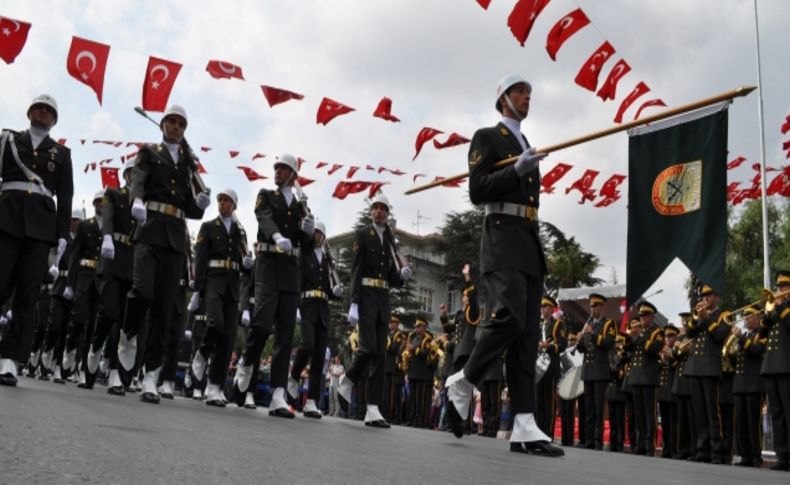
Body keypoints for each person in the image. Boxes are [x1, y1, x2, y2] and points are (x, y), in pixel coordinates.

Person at [444, 74, 563, 457]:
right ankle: (464, 380)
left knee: (527, 339)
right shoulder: (487, 136)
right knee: (509, 318)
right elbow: (477, 190)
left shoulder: (525, 143)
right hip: (501, 237)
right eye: (519, 92)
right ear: (503, 99)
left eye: (529, 93)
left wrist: (521, 165)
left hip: (527, 239)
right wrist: (514, 170)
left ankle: (525, 424)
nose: (527, 97)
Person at [116, 104, 211, 403]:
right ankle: (128, 335)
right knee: (142, 292)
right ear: (163, 125)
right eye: (172, 122)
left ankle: (151, 375)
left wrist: (201, 202)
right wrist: (138, 200)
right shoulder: (149, 152)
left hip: (175, 240)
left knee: (163, 309)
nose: (176, 127)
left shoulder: (187, 164)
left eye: (181, 124)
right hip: (149, 228)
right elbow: (140, 179)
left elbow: (191, 210)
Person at [233, 154, 314, 418]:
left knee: (285, 332)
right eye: (276, 168)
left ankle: (278, 393)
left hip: (290, 270)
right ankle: (247, 359)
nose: (277, 172)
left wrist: (309, 232)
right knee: (263, 321)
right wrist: (278, 235)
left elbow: (306, 245)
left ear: (293, 174)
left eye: (283, 168)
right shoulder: (266, 194)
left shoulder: (301, 206)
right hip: (267, 263)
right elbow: (263, 217)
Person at [0, 94, 73, 386]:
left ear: (54, 119)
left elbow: (65, 196)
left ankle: (9, 359)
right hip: (6, 219)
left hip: (40, 229)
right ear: (29, 111)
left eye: (49, 111)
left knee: (28, 294)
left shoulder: (62, 154)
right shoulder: (8, 141)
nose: (43, 113)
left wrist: (62, 235)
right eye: (39, 108)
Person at [338, 193, 412, 429]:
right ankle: (348, 378)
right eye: (375, 208)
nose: (378, 212)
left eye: (382, 209)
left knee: (380, 356)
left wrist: (401, 277)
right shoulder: (363, 235)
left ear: (388, 214)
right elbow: (357, 269)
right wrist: (354, 301)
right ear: (372, 212)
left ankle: (373, 408)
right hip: (366, 298)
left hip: (382, 300)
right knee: (367, 348)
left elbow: (389, 273)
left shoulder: (390, 240)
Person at [189, 188, 252, 407]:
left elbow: (245, 258)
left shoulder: (240, 231)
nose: (222, 204)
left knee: (227, 339)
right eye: (220, 200)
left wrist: (248, 266)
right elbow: (200, 258)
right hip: (213, 282)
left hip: (232, 285)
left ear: (234, 204)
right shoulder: (208, 227)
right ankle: (201, 355)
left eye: (226, 201)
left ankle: (214, 386)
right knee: (215, 325)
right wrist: (197, 291)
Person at [90, 160, 137, 396]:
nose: (135, 177)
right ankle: (96, 346)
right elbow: (107, 217)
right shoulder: (114, 194)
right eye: (132, 173)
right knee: (109, 312)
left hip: (134, 262)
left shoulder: (145, 201)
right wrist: (107, 237)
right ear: (126, 175)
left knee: (124, 321)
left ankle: (115, 374)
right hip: (113, 255)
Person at [287, 219, 342, 418]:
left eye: (320, 233)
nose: (317, 236)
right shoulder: (305, 254)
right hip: (308, 305)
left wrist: (336, 291)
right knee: (307, 345)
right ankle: (294, 376)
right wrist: (296, 307)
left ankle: (311, 400)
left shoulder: (328, 260)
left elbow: (330, 287)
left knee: (319, 357)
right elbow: (298, 280)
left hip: (323, 309)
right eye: (315, 233)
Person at [63, 190, 105, 389]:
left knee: (93, 326)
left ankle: (83, 368)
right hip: (83, 276)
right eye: (99, 201)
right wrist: (70, 284)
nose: (102, 205)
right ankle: (70, 349)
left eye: (105, 202)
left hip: (102, 280)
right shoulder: (85, 225)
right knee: (79, 320)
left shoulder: (112, 227)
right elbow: (74, 255)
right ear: (95, 203)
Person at [684, 284, 730, 463]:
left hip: (710, 368)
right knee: (699, 411)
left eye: (709, 296)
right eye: (704, 296)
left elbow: (719, 336)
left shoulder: (723, 315)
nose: (705, 299)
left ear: (716, 297)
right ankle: (702, 450)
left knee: (712, 412)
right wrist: (697, 318)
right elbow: (689, 333)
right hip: (694, 367)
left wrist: (708, 318)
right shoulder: (700, 316)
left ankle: (716, 452)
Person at [39, 209, 83, 384]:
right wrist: (53, 265)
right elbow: (52, 253)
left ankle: (57, 366)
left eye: (79, 220)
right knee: (55, 326)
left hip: (75, 286)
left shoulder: (83, 239)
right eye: (73, 220)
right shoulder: (63, 238)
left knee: (66, 328)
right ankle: (46, 353)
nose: (76, 223)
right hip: (59, 284)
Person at [577, 293, 617, 450]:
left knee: (599, 408)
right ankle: (588, 440)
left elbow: (609, 343)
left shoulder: (608, 324)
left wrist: (592, 334)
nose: (592, 309)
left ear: (601, 307)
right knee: (589, 408)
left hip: (600, 371)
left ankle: (597, 440)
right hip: (588, 370)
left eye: (595, 306)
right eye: (591, 307)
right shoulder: (588, 324)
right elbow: (582, 349)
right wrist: (581, 338)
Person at [759, 270, 790, 471]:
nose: (779, 291)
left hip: (786, 366)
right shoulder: (775, 310)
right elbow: (762, 333)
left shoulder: (785, 309)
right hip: (771, 366)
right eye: (778, 287)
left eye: (784, 287)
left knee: (788, 412)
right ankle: (783, 456)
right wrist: (766, 315)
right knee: (776, 414)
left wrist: (781, 308)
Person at [626, 301, 665, 456]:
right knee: (638, 413)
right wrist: (631, 336)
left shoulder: (657, 332)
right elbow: (628, 348)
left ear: (652, 316)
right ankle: (640, 444)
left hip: (649, 377)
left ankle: (650, 445)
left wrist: (640, 336)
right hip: (636, 377)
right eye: (641, 316)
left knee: (650, 414)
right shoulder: (637, 333)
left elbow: (654, 349)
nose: (642, 319)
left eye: (645, 316)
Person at [732, 304, 765, 467]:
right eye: (744, 316)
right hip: (740, 384)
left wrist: (741, 339)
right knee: (742, 421)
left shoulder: (760, 334)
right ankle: (745, 454)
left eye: (748, 316)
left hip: (754, 384)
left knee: (753, 422)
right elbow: (736, 359)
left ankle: (756, 455)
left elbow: (757, 350)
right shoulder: (744, 336)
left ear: (757, 318)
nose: (745, 319)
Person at [536, 295, 567, 439]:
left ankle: (548, 433)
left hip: (550, 367)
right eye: (541, 307)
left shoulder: (557, 324)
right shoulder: (540, 325)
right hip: (539, 367)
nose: (542, 309)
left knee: (549, 403)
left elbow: (563, 345)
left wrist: (549, 346)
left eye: (545, 307)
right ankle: (538, 431)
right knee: (539, 402)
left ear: (551, 308)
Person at [657, 324, 679, 458]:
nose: (667, 339)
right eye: (666, 336)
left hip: (673, 391)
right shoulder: (662, 352)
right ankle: (666, 448)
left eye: (670, 336)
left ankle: (673, 448)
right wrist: (662, 358)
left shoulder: (677, 351)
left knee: (673, 422)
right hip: (663, 391)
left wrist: (669, 357)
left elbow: (676, 367)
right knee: (664, 421)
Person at [383, 315, 406, 424]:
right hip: (384, 366)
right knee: (384, 392)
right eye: (390, 322)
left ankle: (389, 415)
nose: (391, 324)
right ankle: (383, 413)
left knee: (390, 394)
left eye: (393, 323)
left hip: (391, 367)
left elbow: (393, 349)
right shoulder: (388, 334)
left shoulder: (398, 335)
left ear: (397, 324)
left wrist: (386, 340)